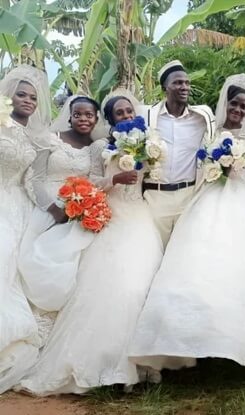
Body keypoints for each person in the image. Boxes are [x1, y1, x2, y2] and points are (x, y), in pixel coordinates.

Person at [128, 74, 245, 377]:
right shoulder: (208, 126)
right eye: (234, 104)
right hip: (210, 197)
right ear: (225, 103)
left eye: (244, 106)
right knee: (199, 265)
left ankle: (242, 342)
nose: (239, 109)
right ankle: (192, 342)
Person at [18, 90, 163, 395]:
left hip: (140, 218)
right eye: (118, 113)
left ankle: (145, 361)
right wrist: (113, 181)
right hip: (111, 217)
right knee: (111, 286)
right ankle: (109, 362)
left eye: (128, 111)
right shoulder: (104, 148)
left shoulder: (149, 143)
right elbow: (95, 180)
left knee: (143, 284)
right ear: (108, 121)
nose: (125, 116)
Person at [18, 96, 106, 339]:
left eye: (89, 114)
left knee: (73, 265)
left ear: (96, 118)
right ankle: (32, 321)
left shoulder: (95, 148)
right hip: (47, 208)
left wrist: (87, 206)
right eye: (78, 114)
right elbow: (34, 179)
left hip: (78, 211)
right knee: (36, 259)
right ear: (70, 116)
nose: (83, 119)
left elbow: (96, 181)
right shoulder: (50, 140)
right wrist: (54, 210)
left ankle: (61, 328)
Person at [0, 65, 52, 394]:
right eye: (22, 94)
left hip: (21, 209)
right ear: (8, 95)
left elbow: (35, 182)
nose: (28, 101)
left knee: (16, 269)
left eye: (33, 97)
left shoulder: (36, 139)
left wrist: (57, 211)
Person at [138, 60, 216, 246]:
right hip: (154, 198)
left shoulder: (203, 117)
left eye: (187, 83)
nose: (184, 87)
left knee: (184, 256)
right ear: (165, 86)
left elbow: (229, 124)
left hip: (189, 197)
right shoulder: (146, 115)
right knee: (153, 253)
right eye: (178, 82)